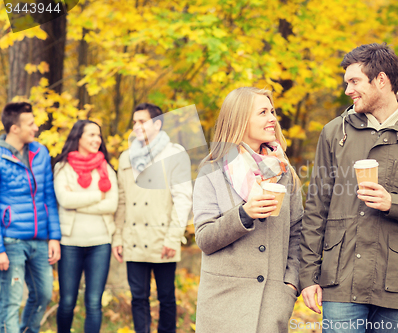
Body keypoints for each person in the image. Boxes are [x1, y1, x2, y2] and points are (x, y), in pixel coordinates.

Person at [299, 43, 398, 333]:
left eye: (354, 81)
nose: (347, 90)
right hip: (340, 279)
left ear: (381, 80)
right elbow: (315, 208)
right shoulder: (335, 132)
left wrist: (392, 203)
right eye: (347, 83)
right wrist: (307, 275)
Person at [193, 87, 303, 333]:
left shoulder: (284, 172)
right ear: (240, 120)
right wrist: (244, 214)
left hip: (271, 304)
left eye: (272, 111)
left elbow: (297, 234)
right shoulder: (211, 171)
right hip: (222, 305)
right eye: (263, 112)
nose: (272, 118)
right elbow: (204, 238)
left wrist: (290, 285)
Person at [112, 103, 192, 333]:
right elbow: (122, 201)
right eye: (134, 121)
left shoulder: (174, 153)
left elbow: (183, 198)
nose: (136, 126)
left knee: (166, 297)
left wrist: (173, 237)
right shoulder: (126, 157)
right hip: (133, 237)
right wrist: (118, 238)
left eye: (142, 121)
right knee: (138, 298)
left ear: (157, 123)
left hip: (162, 237)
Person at [0, 102, 61, 333]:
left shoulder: (40, 152)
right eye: (30, 124)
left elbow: (48, 196)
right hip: (11, 241)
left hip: (40, 240)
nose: (35, 128)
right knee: (11, 300)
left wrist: (53, 237)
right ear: (14, 128)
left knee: (44, 294)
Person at [53, 120, 118, 333]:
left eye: (98, 135)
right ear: (78, 137)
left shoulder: (106, 168)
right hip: (70, 243)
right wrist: (98, 196)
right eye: (91, 135)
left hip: (100, 243)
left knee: (93, 303)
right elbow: (65, 200)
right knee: (67, 302)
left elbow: (112, 204)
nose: (96, 139)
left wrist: (78, 201)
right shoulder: (63, 167)